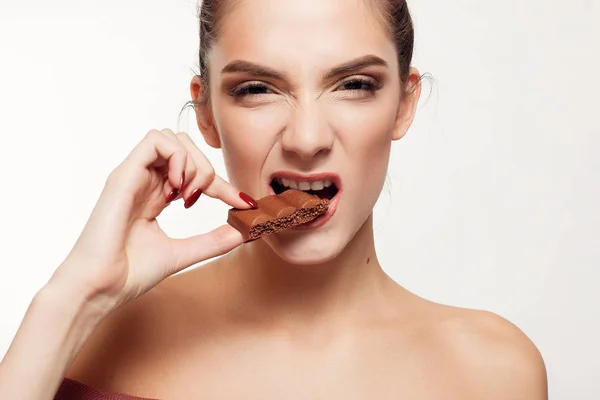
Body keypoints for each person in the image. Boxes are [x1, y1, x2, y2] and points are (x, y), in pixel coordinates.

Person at [0, 0, 548, 398]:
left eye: (354, 83)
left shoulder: (495, 371)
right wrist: (71, 298)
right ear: (207, 114)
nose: (307, 138)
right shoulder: (95, 336)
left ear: (404, 104)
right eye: (257, 89)